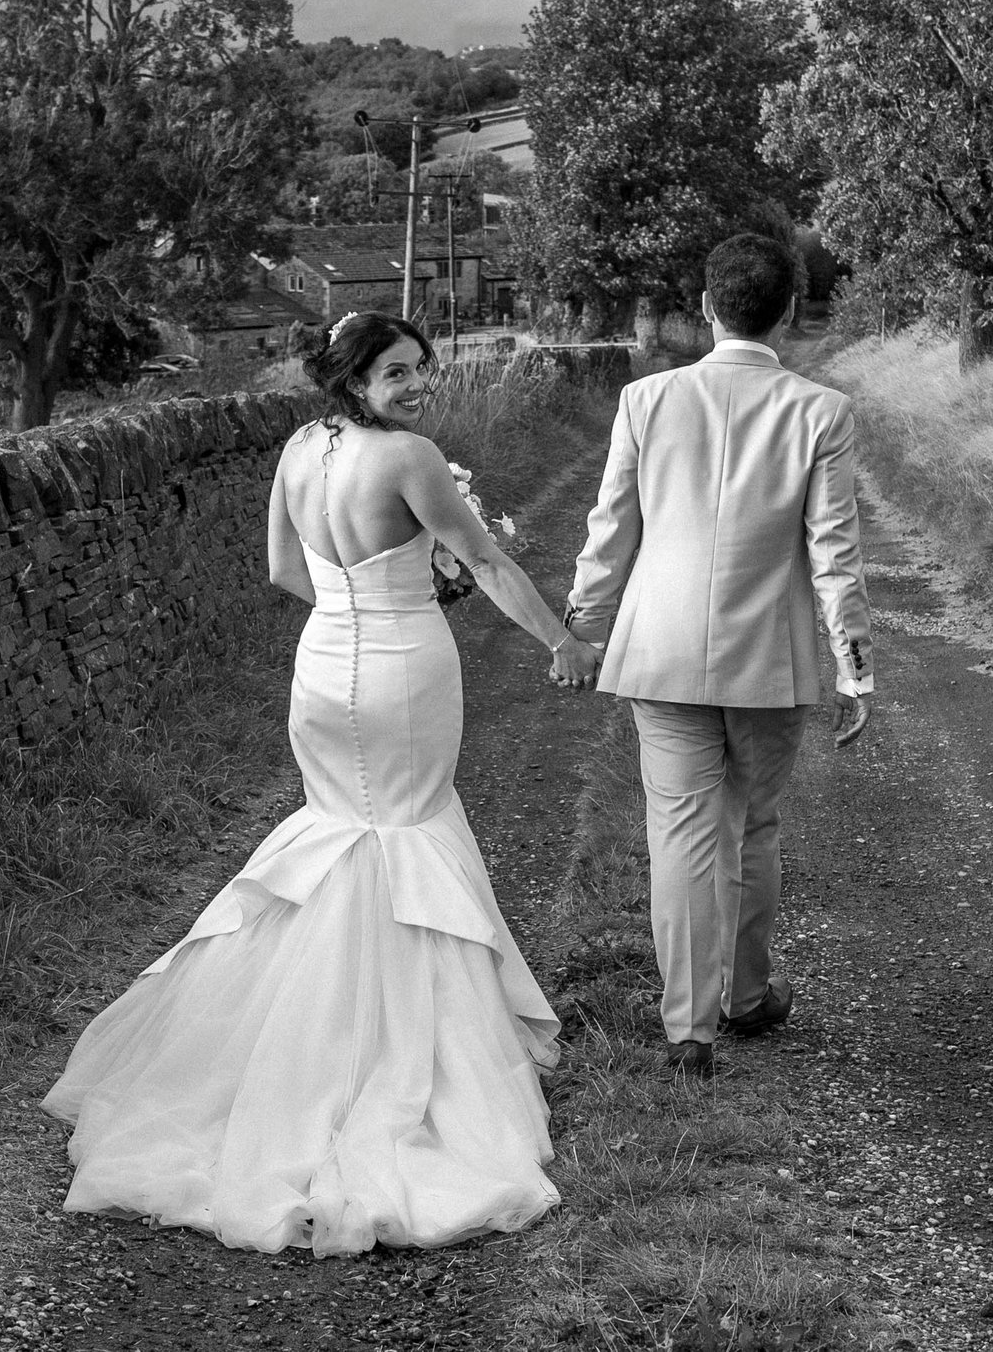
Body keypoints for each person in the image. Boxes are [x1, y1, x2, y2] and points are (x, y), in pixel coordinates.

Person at [43, 310, 598, 1256]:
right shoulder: (413, 459)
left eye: (421, 369)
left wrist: (357, 598)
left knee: (341, 831)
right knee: (407, 830)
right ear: (352, 380)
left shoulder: (299, 448)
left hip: (322, 665)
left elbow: (280, 568)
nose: (417, 386)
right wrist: (560, 640)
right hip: (402, 669)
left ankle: (302, 1046)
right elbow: (491, 560)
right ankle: (402, 1056)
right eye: (396, 373)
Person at [555, 233, 873, 1078]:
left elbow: (611, 525)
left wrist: (585, 622)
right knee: (753, 825)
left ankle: (689, 1031)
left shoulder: (645, 400)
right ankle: (746, 999)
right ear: (793, 312)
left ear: (706, 308)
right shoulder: (821, 411)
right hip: (768, 657)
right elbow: (834, 552)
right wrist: (853, 666)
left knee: (682, 832)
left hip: (659, 650)